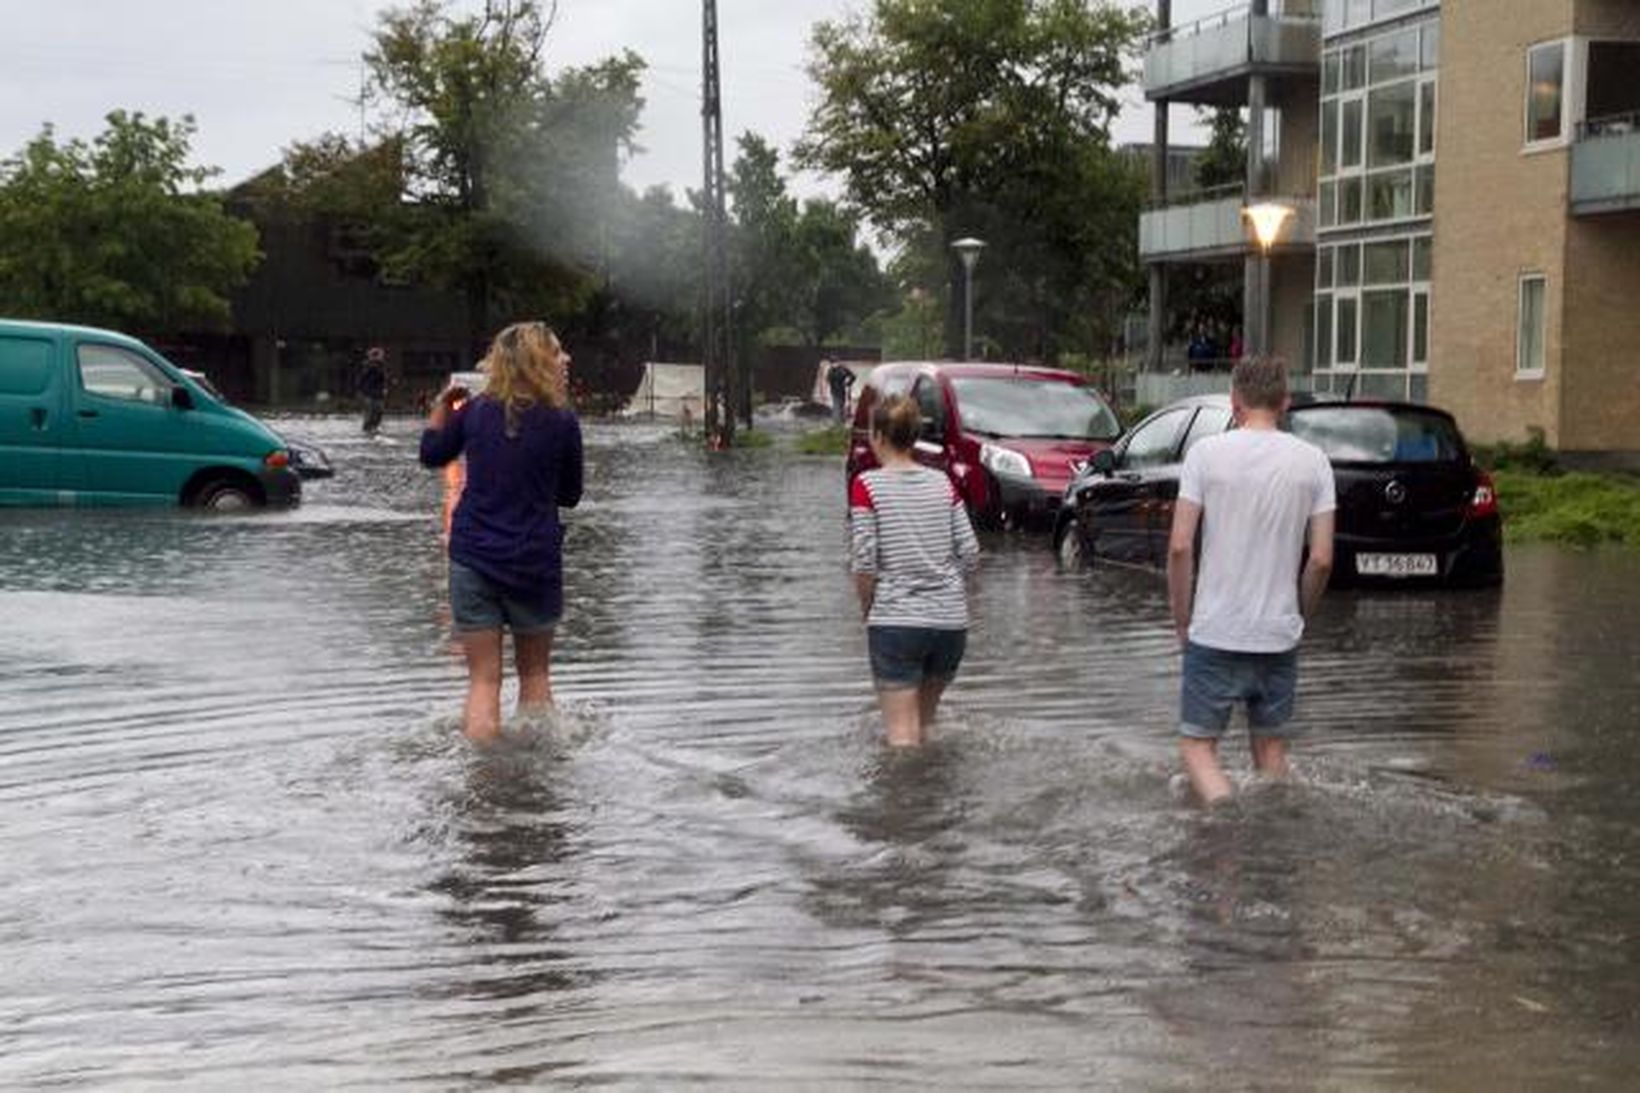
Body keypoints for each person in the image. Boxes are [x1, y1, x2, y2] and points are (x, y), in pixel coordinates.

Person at [1165, 356, 1335, 805]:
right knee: (1271, 753)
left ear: (1234, 402)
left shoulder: (1205, 454)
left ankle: (1226, 819)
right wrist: (1298, 616)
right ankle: (1270, 842)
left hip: (1215, 630)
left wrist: (1182, 621)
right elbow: (1320, 559)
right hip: (1279, 636)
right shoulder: (1315, 462)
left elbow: (1180, 547)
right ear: (1285, 402)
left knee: (1198, 748)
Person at [419, 321, 584, 742]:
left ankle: (482, 780)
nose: (566, 359)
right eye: (558, 352)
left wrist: (441, 406)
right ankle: (538, 780)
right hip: (534, 563)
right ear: (537, 362)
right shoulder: (562, 420)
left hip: (473, 560)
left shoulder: (474, 411)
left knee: (483, 681)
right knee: (534, 673)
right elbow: (570, 495)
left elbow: (431, 453)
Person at [849, 394, 981, 747]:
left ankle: (907, 803)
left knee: (901, 737)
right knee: (925, 726)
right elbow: (970, 553)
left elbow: (864, 561)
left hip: (897, 624)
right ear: (913, 436)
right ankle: (934, 799)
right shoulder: (944, 484)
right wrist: (947, 593)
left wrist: (867, 608)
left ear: (877, 436)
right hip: (950, 626)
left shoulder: (867, 486)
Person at [358, 346, 388, 433]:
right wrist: (362, 391)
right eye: (380, 355)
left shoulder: (381, 366)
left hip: (378, 393)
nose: (381, 357)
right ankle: (367, 428)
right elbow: (361, 379)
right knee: (370, 411)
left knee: (379, 411)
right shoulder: (368, 365)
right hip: (368, 392)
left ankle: (375, 426)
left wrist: (385, 387)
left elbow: (383, 379)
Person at [825, 359, 856, 426]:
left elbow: (853, 376)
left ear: (838, 362)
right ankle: (836, 422)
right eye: (832, 363)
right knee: (836, 406)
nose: (834, 365)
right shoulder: (831, 370)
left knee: (841, 406)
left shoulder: (843, 369)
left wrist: (848, 383)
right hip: (834, 391)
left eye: (835, 363)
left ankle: (841, 422)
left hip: (842, 390)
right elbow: (827, 379)